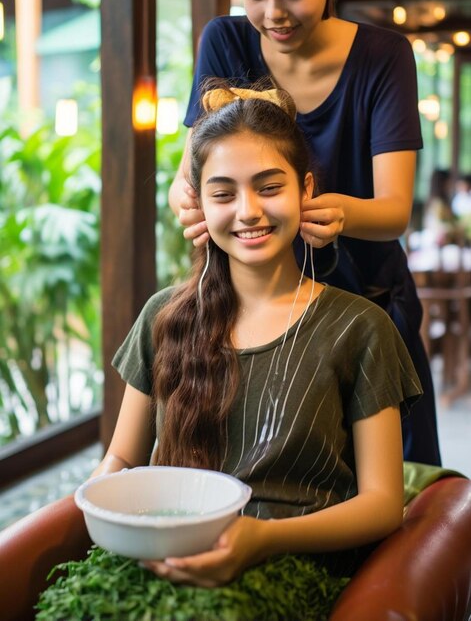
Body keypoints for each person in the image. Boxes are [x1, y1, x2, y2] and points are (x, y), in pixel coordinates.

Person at [93, 86, 421, 588]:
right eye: (223, 194)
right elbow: (121, 458)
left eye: (269, 187)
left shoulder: (360, 327)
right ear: (199, 204)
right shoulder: (164, 316)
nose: (248, 211)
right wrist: (93, 505)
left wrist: (263, 539)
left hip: (297, 573)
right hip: (166, 555)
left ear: (305, 190)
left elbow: (382, 506)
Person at [168, 0, 441, 466]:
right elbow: (190, 173)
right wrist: (189, 200)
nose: (274, 12)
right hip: (259, 313)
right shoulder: (225, 40)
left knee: (394, 484)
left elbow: (395, 211)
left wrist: (340, 215)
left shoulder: (383, 55)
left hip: (364, 303)